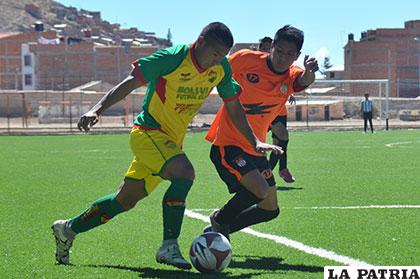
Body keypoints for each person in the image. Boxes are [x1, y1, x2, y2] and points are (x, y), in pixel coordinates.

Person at [51, 22, 281, 270]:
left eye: (222, 56)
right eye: (215, 54)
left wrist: (254, 140)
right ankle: (168, 247)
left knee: (125, 200)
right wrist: (97, 109)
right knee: (185, 172)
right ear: (200, 42)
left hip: (169, 143)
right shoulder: (172, 58)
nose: (217, 60)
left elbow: (234, 105)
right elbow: (131, 81)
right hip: (148, 133)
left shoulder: (220, 68)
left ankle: (67, 229)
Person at [204, 25, 318, 239]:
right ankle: (220, 220)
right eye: (280, 50)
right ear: (272, 46)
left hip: (257, 148)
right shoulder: (245, 59)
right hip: (228, 143)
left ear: (297, 56)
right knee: (260, 190)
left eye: (290, 55)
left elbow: (304, 81)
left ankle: (217, 232)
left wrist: (310, 71)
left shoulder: (291, 76)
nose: (283, 58)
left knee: (270, 208)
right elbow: (214, 73)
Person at [259, 35, 298, 183]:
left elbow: (287, 79)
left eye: (270, 47)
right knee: (282, 137)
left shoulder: (279, 64)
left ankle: (270, 172)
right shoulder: (256, 65)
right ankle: (277, 170)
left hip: (279, 111)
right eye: (265, 47)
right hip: (263, 111)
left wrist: (291, 91)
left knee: (280, 141)